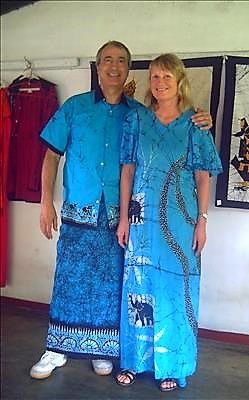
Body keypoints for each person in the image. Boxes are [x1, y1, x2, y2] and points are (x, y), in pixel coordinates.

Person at [29, 41, 213, 380]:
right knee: (69, 280)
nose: (114, 66)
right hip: (78, 210)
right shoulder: (74, 107)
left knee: (113, 285)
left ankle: (103, 351)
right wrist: (44, 202)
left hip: (122, 217)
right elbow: (51, 156)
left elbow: (169, 127)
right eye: (107, 60)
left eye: (122, 61)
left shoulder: (138, 115)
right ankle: (56, 350)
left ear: (128, 69)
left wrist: (203, 118)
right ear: (98, 67)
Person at [116, 53, 223, 392]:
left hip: (181, 221)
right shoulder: (137, 120)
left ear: (179, 82)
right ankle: (134, 361)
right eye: (155, 77)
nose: (159, 83)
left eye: (166, 77)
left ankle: (171, 366)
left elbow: (203, 176)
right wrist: (123, 219)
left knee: (177, 291)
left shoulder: (196, 124)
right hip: (141, 220)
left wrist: (202, 221)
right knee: (138, 287)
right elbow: (127, 171)